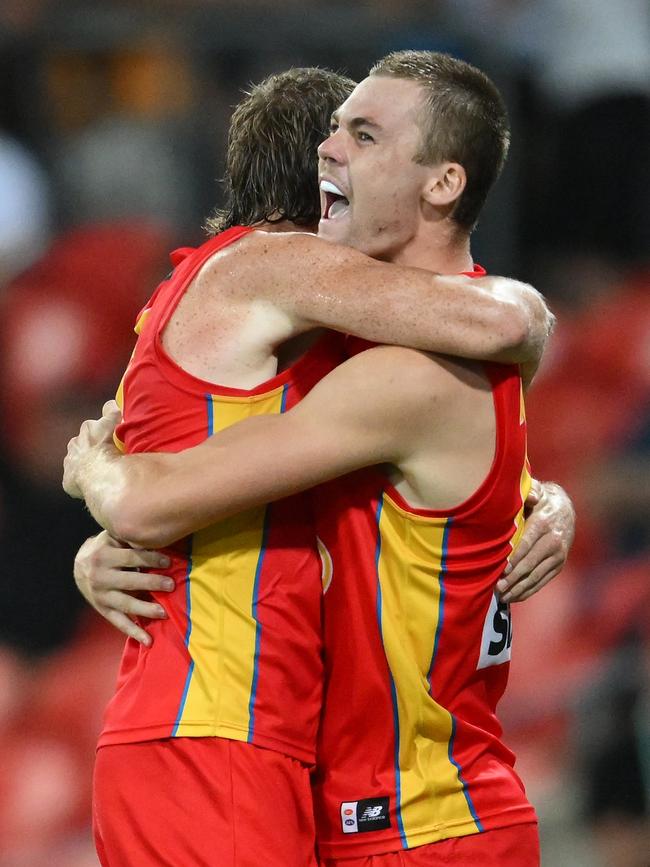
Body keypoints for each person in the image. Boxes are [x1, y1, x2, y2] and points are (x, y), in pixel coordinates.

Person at [64, 57, 573, 866]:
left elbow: (154, 494)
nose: (334, 152)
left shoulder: (397, 370)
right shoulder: (305, 308)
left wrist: (102, 482)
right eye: (334, 132)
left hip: (416, 822)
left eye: (363, 135)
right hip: (301, 784)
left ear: (440, 182)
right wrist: (109, 532)